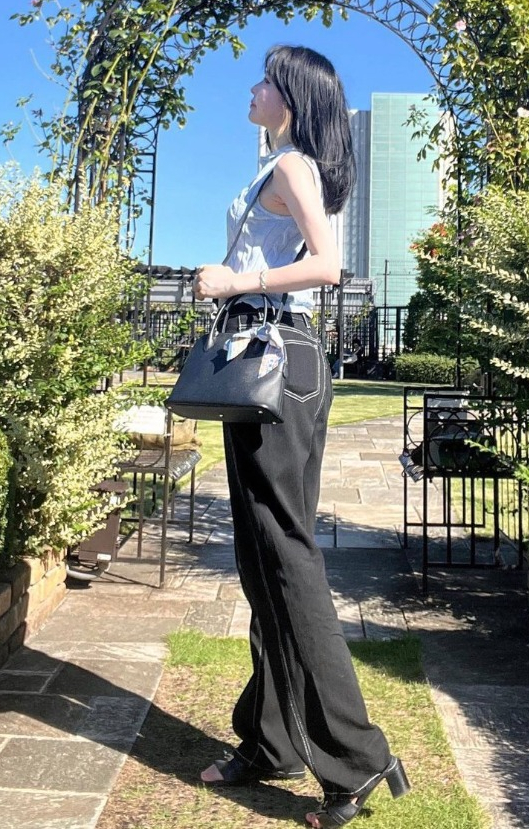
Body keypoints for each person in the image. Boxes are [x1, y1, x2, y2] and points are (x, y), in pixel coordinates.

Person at [192, 45, 411, 828]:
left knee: (283, 552)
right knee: (263, 553)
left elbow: (326, 265)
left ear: (290, 97)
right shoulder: (280, 166)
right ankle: (272, 739)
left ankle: (354, 756)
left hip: (277, 359)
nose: (252, 88)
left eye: (265, 80)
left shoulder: (292, 167)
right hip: (276, 360)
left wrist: (236, 281)